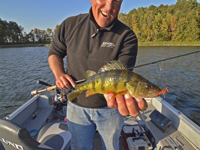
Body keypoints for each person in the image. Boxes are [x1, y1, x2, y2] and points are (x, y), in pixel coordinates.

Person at [48, 0, 147, 149]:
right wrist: (59, 74)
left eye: (116, 1)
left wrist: (114, 96)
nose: (109, 7)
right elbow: (55, 53)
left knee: (111, 146)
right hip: (76, 106)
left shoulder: (127, 37)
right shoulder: (70, 25)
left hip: (110, 110)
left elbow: (123, 76)